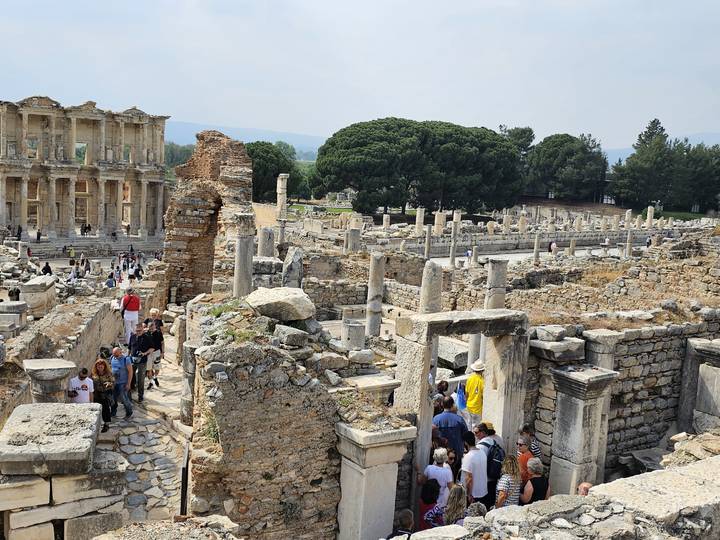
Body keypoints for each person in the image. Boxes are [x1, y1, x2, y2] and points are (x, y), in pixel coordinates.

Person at [474, 422, 505, 510]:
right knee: (489, 504)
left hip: (483, 480)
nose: (475, 435)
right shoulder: (493, 441)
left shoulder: (480, 446)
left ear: (483, 432)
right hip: (493, 477)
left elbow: (479, 465)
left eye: (476, 432)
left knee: (480, 507)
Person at [432, 396, 468, 467]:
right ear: (452, 405)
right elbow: (466, 435)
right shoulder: (459, 419)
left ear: (442, 404)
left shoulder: (436, 419)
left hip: (440, 455)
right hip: (456, 455)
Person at [460, 431, 487, 504]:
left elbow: (469, 478)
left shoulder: (468, 457)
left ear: (465, 442)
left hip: (473, 495)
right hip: (483, 491)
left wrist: (469, 494)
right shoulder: (482, 453)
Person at [129, 323, 153, 401]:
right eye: (137, 330)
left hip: (142, 361)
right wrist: (128, 357)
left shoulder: (147, 338)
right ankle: (131, 393)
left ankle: (140, 395)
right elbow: (130, 348)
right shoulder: (132, 337)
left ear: (143, 329)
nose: (138, 332)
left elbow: (152, 348)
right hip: (132, 360)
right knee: (131, 376)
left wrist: (144, 353)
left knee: (140, 378)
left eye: (139, 330)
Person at [92, 357, 115, 432]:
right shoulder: (93, 375)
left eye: (101, 365)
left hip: (105, 394)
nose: (100, 367)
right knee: (96, 409)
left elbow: (113, 383)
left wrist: (109, 383)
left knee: (106, 410)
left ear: (104, 366)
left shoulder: (109, 374)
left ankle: (106, 424)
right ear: (96, 367)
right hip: (96, 394)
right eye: (98, 366)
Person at [110, 346, 133, 419]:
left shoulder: (126, 359)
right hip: (114, 383)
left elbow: (130, 372)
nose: (115, 356)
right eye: (113, 354)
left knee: (124, 399)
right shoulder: (112, 358)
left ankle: (129, 412)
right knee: (113, 398)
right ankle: (113, 412)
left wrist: (128, 384)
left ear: (120, 352)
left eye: (116, 354)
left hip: (123, 383)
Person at [465, 360, 484, 429]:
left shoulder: (469, 378)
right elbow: (483, 396)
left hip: (469, 405)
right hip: (477, 407)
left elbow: (466, 393)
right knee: (476, 426)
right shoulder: (482, 381)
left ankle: (469, 438)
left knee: (469, 424)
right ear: (482, 370)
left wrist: (466, 401)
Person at [146, 320, 163, 389]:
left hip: (157, 352)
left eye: (152, 327)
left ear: (154, 326)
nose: (151, 328)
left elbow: (162, 343)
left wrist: (163, 352)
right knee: (149, 368)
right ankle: (151, 382)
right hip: (149, 353)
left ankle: (155, 377)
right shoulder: (146, 333)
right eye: (150, 327)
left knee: (157, 367)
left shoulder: (159, 333)